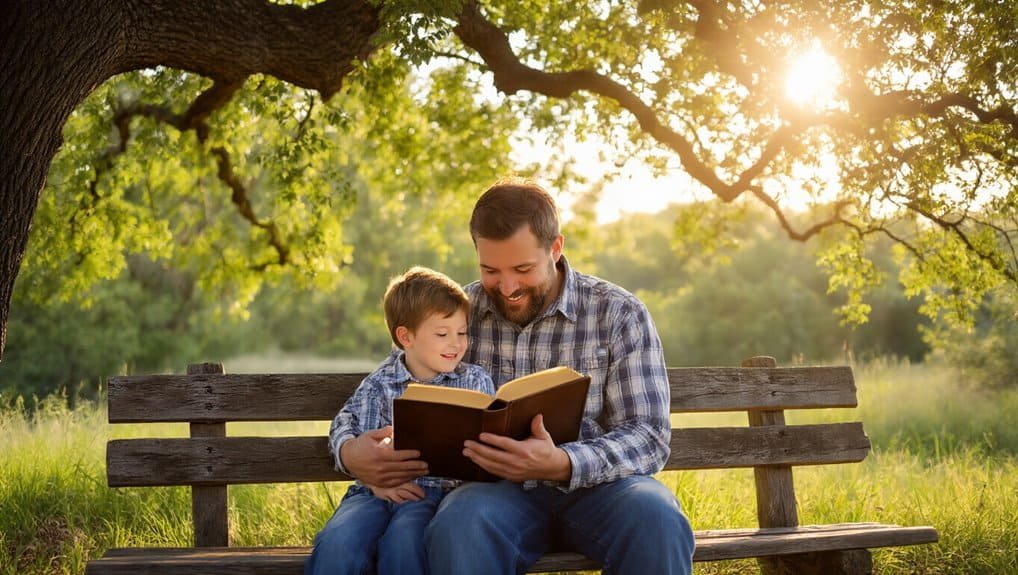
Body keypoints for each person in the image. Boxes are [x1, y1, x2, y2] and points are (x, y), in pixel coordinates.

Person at [424, 177, 695, 574]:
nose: (508, 286)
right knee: (460, 523)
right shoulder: (454, 315)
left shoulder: (618, 313)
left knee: (657, 517)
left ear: (555, 248)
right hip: (493, 495)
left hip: (599, 489)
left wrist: (562, 463)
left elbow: (648, 435)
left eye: (523, 268)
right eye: (490, 270)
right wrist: (355, 451)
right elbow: (402, 392)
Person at [305, 266, 495, 575]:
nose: (456, 344)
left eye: (462, 332)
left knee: (404, 542)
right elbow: (350, 429)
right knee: (338, 543)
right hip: (371, 492)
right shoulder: (381, 383)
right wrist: (374, 482)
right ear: (405, 336)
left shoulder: (473, 381)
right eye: (442, 334)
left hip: (430, 494)